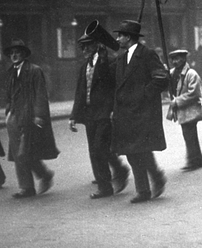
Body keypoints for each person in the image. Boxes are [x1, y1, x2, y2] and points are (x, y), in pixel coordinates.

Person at [111, 20, 169, 203]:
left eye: (120, 35)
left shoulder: (147, 54)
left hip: (143, 112)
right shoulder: (121, 58)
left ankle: (147, 186)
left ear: (128, 37)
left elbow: (162, 78)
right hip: (126, 113)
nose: (118, 38)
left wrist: (143, 94)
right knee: (132, 151)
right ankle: (147, 186)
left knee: (140, 150)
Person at [69, 34, 129, 199]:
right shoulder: (84, 66)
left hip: (104, 112)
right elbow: (80, 92)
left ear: (96, 44)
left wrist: (113, 109)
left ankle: (107, 183)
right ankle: (115, 174)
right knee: (95, 150)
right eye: (82, 46)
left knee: (98, 148)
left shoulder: (108, 61)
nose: (84, 49)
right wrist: (74, 115)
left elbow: (113, 85)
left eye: (87, 45)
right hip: (90, 114)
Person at [4, 39, 59, 198]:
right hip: (14, 116)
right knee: (18, 153)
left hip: (28, 116)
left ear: (24, 54)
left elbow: (41, 94)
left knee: (24, 152)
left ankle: (44, 175)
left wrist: (38, 115)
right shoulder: (11, 72)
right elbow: (9, 94)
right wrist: (9, 110)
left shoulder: (34, 70)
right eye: (12, 53)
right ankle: (26, 187)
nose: (14, 55)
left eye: (17, 52)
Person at [167, 49, 202, 172]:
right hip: (184, 111)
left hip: (190, 110)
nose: (174, 61)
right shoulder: (172, 73)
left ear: (184, 59)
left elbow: (194, 93)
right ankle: (196, 160)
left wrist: (177, 101)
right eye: (172, 59)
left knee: (190, 135)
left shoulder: (191, 74)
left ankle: (194, 161)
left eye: (177, 59)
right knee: (188, 135)